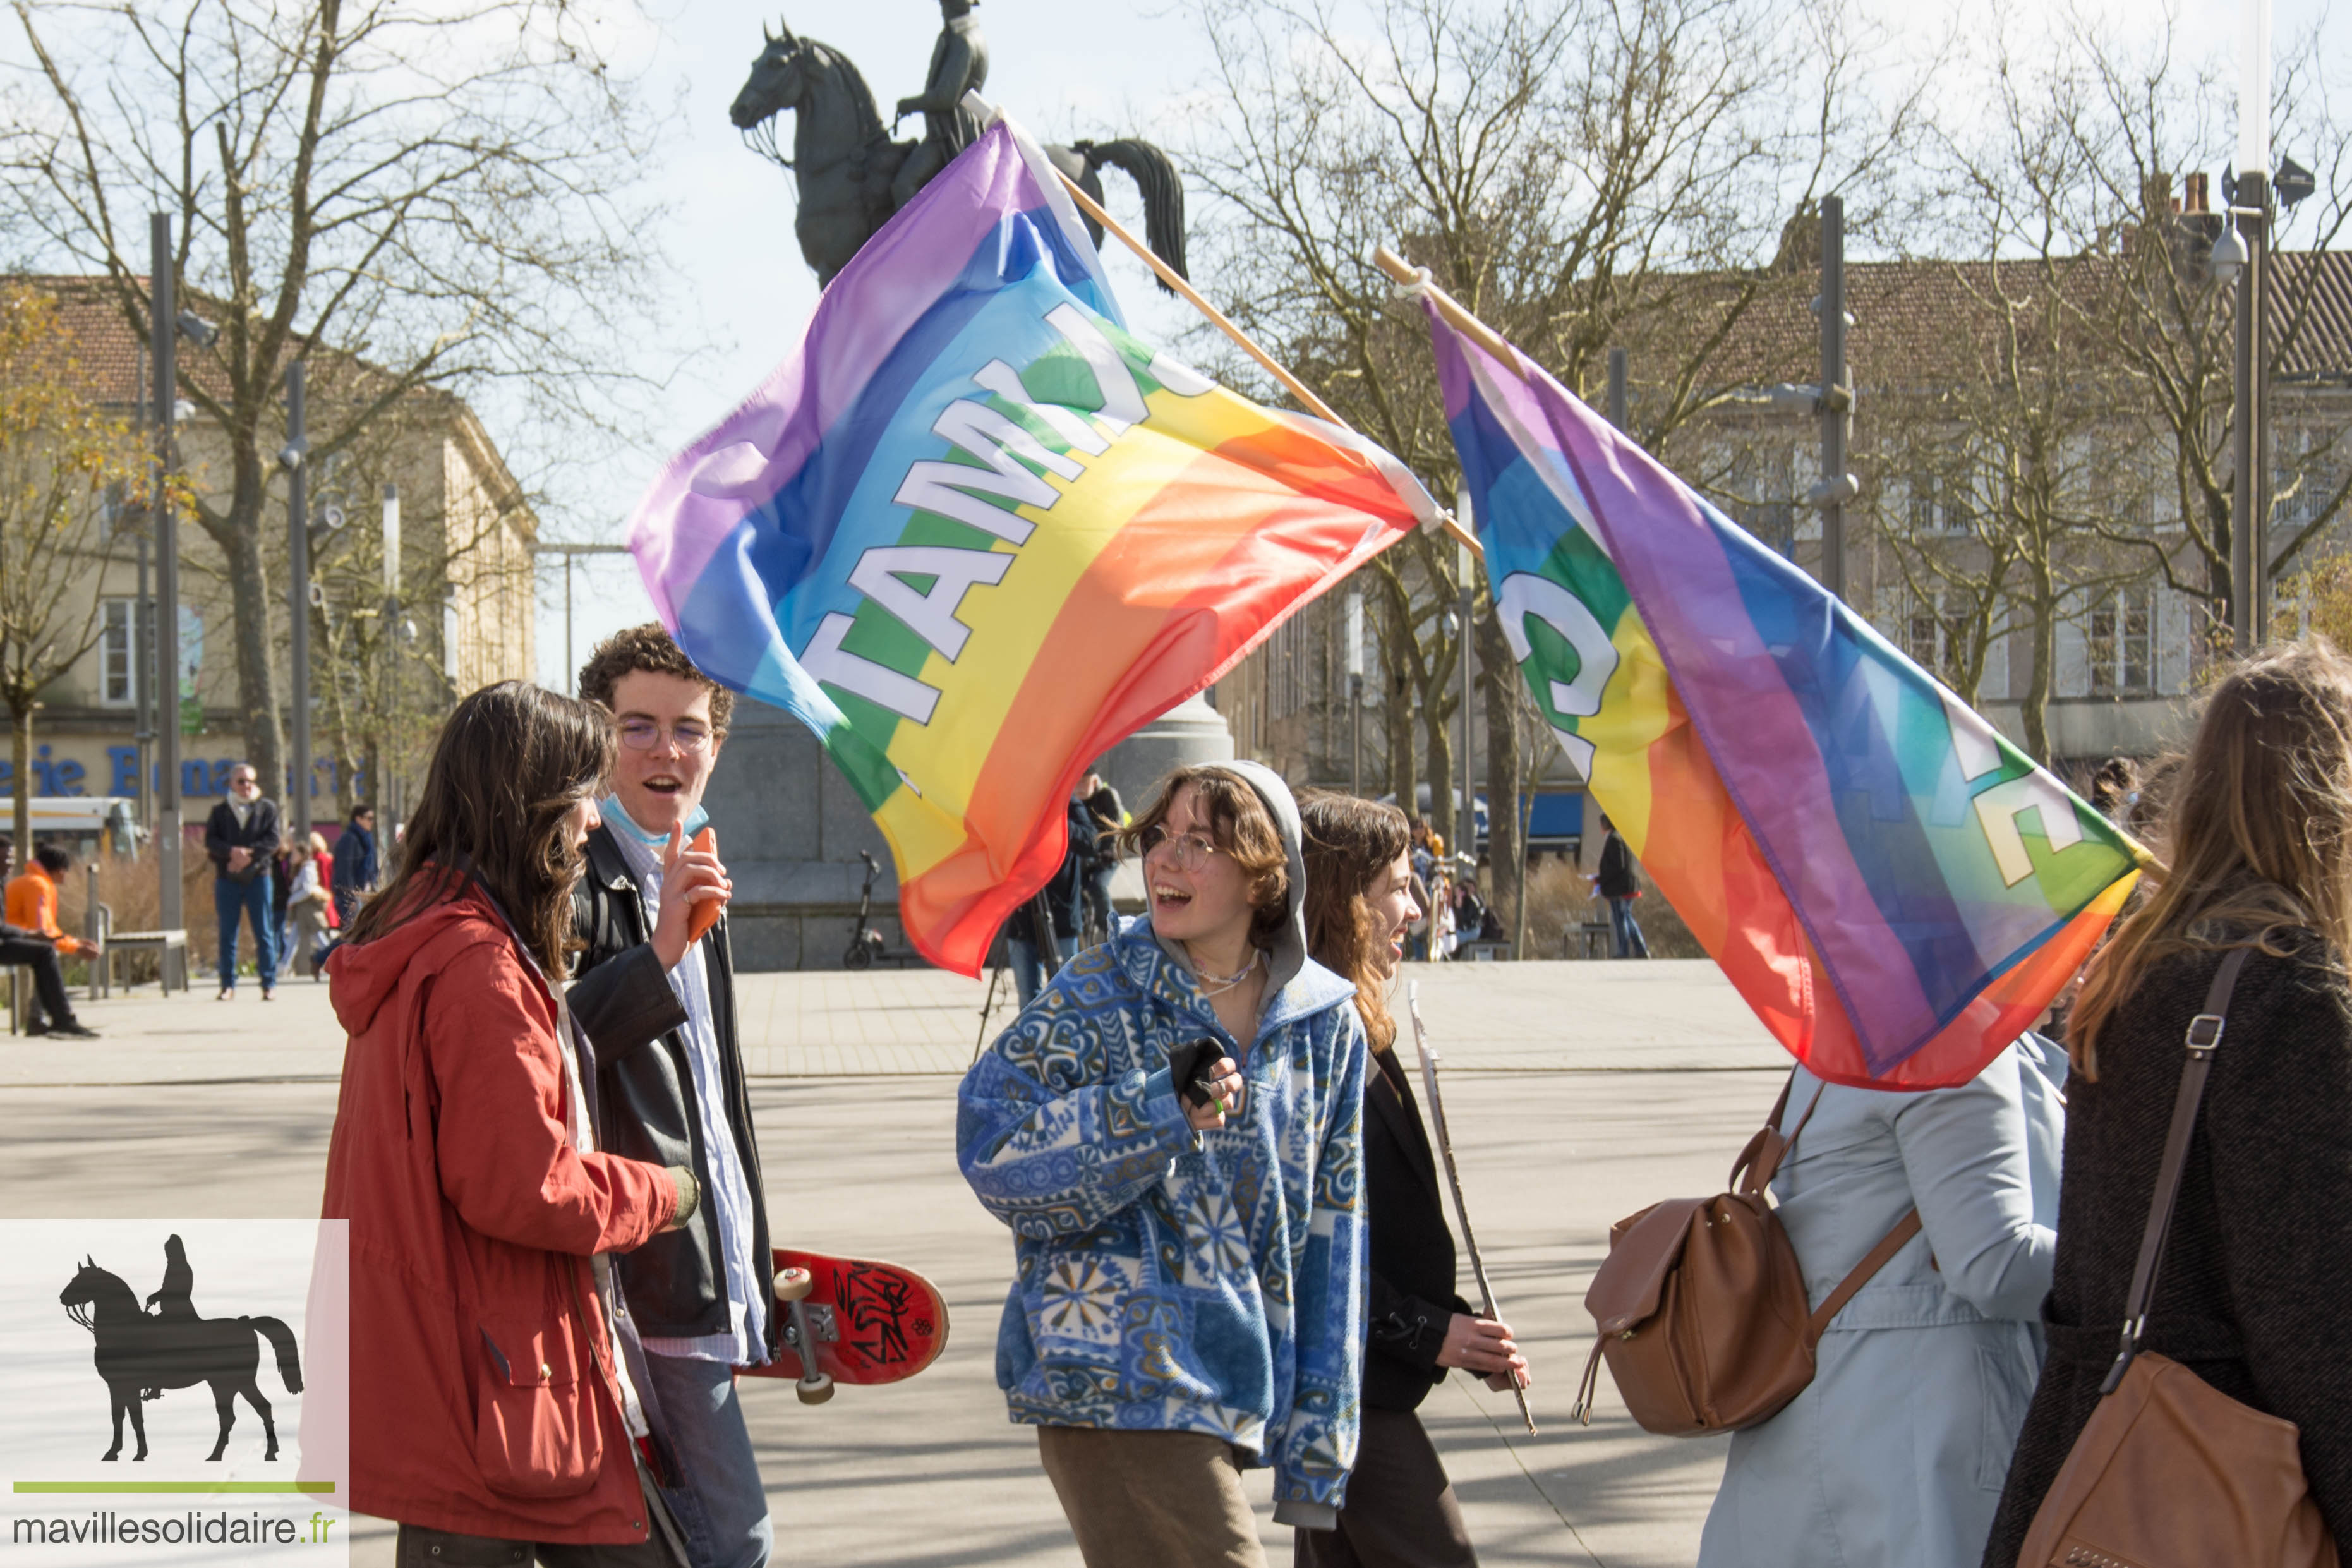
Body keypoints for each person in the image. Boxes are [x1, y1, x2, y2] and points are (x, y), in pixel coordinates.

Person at [1984, 642, 2352, 1563]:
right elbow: (2310, 1319)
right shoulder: (2289, 995)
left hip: (2092, 1454)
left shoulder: (2134, 975)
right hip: (2220, 1482)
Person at [958, 762, 1369, 1568]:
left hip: (1239, 1390)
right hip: (1114, 1380)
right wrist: (1156, 1113)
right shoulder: (1095, 993)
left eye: (1201, 843)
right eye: (1159, 837)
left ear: (1265, 875)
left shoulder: (1327, 1021)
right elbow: (991, 1149)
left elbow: (1336, 1236)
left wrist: (1321, 1441)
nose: (1166, 860)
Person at [322, 680, 696, 1565]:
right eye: (580, 796)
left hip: (462, 1365)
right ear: (530, 806)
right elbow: (522, 1184)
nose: (592, 822)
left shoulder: (420, 933)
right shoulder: (479, 966)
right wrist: (664, 1191)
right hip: (494, 1373)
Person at [1695, 1035, 2065, 1566]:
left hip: (1827, 1395)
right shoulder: (1951, 1041)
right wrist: (2141, 1269)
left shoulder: (1859, 1031)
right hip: (1921, 1412)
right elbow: (1994, 1263)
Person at [568, 625, 775, 1568]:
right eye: (636, 726)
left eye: (687, 730)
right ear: (593, 737)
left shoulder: (693, 859)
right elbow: (543, 1050)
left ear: (717, 747)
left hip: (700, 1269)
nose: (665, 751)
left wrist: (751, 1257)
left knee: (677, 1540)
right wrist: (653, 953)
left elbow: (711, 1103)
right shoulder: (570, 874)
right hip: (634, 1271)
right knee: (734, 1541)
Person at [1296, 792, 1527, 1568]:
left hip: (1359, 1379)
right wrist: (1434, 1334)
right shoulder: (1310, 1039)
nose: (1419, 907)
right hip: (1342, 1384)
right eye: (1397, 885)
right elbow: (1304, 1248)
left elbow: (1380, 1224)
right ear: (1340, 900)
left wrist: (1457, 1332)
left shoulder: (1356, 1018)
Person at [890, 0, 989, 208]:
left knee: (904, 184)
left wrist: (908, 105)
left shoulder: (964, 42)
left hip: (953, 133)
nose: (942, 10)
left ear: (956, 7)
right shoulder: (958, 37)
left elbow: (946, 97)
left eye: (945, 5)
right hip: (948, 128)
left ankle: (917, 240)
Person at [1002, 792, 1090, 1008]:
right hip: (1021, 917)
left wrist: (1056, 821)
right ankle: (1032, 1041)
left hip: (1061, 918)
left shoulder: (1068, 802)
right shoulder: (1013, 806)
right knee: (1028, 998)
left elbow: (1091, 842)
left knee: (1068, 995)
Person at [0, 842, 96, 1038]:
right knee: (45, 952)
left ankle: (50, 1020)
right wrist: (74, 946)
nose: (11, 863)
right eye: (6, 858)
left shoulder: (13, 881)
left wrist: (74, 942)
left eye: (12, 858)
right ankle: (59, 1021)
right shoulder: (38, 885)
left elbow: (45, 931)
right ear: (59, 870)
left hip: (6, 938)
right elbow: (42, 931)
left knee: (44, 953)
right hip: (5, 939)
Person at [204, 762, 282, 999]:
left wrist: (248, 854)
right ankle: (228, 985)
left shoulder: (266, 809)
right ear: (231, 784)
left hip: (259, 878)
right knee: (228, 933)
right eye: (241, 781)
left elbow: (273, 841)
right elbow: (211, 842)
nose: (246, 786)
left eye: (250, 781)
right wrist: (232, 853)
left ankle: (268, 984)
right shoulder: (220, 812)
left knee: (265, 933)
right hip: (227, 879)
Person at [1593, 814, 1648, 960]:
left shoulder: (1614, 839)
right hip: (1624, 886)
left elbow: (1618, 865)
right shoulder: (1620, 837)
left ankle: (1626, 951)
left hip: (1622, 888)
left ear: (1606, 824)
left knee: (1622, 918)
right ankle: (1640, 949)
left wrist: (1602, 878)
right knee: (1626, 917)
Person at [279, 836, 333, 980]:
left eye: (296, 854)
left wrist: (292, 900)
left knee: (320, 940)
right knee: (293, 939)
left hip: (309, 911)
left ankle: (335, 959)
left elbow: (308, 890)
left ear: (303, 855)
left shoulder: (308, 869)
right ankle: (284, 966)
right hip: (301, 911)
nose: (293, 857)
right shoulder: (300, 869)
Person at [1078, 768, 1124, 938]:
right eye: (1076, 782)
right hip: (1083, 857)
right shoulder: (1074, 801)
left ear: (1095, 781)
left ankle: (1112, 929)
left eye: (1084, 782)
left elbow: (1115, 826)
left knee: (1098, 885)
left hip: (1107, 857)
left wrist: (1108, 850)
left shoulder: (1107, 796)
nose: (1079, 787)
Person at [330, 803, 379, 932]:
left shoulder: (367, 840)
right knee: (352, 934)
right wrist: (350, 898)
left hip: (366, 894)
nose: (371, 822)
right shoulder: (349, 840)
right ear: (358, 819)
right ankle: (325, 954)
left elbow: (373, 869)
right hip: (353, 896)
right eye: (369, 818)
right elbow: (344, 871)